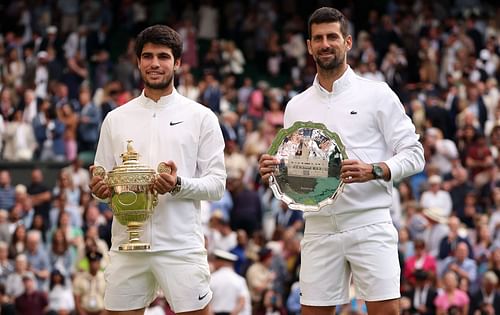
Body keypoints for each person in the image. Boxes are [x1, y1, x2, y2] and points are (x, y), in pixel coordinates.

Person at [258, 7, 425, 315]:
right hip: (319, 227)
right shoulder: (296, 106)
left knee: (386, 312)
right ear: (308, 46)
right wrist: (275, 172)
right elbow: (299, 175)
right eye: (318, 38)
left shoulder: (377, 94)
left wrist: (374, 170)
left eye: (332, 37)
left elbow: (415, 155)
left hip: (369, 220)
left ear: (347, 42)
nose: (325, 44)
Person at [89, 24, 226, 315]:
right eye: (148, 56)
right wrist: (100, 192)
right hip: (127, 245)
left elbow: (217, 185)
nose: (154, 63)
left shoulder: (201, 117)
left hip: (180, 246)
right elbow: (103, 185)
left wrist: (178, 185)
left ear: (177, 62)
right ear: (137, 61)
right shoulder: (115, 119)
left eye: (163, 56)